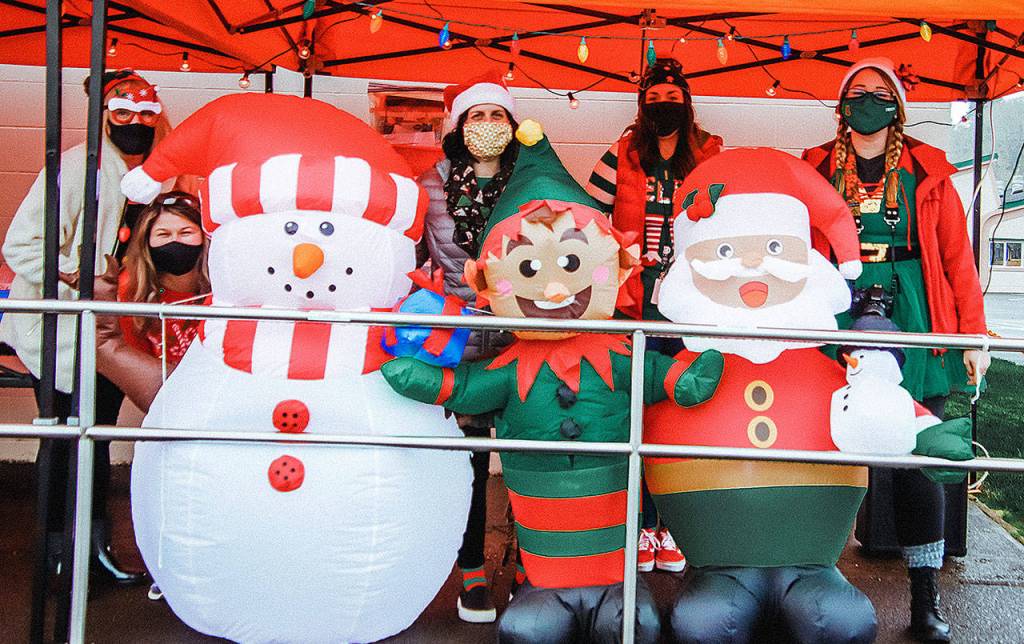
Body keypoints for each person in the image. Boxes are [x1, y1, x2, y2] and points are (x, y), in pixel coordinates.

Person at [803, 57, 990, 643]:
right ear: (841, 105)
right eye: (856, 92)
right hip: (834, 307)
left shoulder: (926, 170)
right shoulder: (812, 168)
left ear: (898, 106)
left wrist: (971, 336)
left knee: (916, 461)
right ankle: (806, 585)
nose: (867, 101)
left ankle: (924, 599)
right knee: (820, 445)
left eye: (879, 93)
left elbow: (959, 260)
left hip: (912, 309)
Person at [0, 68, 172, 584]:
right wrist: (78, 278)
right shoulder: (77, 169)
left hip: (111, 332)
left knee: (93, 440)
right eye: (122, 114)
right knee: (63, 439)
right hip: (62, 333)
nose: (134, 124)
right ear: (104, 117)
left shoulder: (155, 174)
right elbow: (20, 246)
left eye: (145, 114)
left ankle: (93, 549)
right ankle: (57, 557)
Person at [586, 57, 721, 573]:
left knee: (681, 410)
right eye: (655, 98)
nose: (664, 107)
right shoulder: (621, 155)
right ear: (642, 105)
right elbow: (590, 218)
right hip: (631, 303)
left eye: (673, 98)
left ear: (687, 104)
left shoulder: (709, 155)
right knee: (636, 412)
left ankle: (673, 526)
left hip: (688, 301)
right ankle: (641, 526)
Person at [418, 71, 519, 623]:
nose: (486, 125)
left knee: (532, 456)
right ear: (458, 126)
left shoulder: (531, 176)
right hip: (461, 337)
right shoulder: (428, 183)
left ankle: (532, 566)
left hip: (525, 334)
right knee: (472, 464)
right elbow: (410, 252)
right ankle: (472, 574)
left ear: (513, 125)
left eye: (496, 115)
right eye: (476, 116)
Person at [95, 192, 208, 413]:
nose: (175, 240)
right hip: (163, 396)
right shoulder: (131, 289)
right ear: (147, 241)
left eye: (186, 232)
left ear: (203, 237)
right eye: (163, 234)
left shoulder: (222, 287)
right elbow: (135, 358)